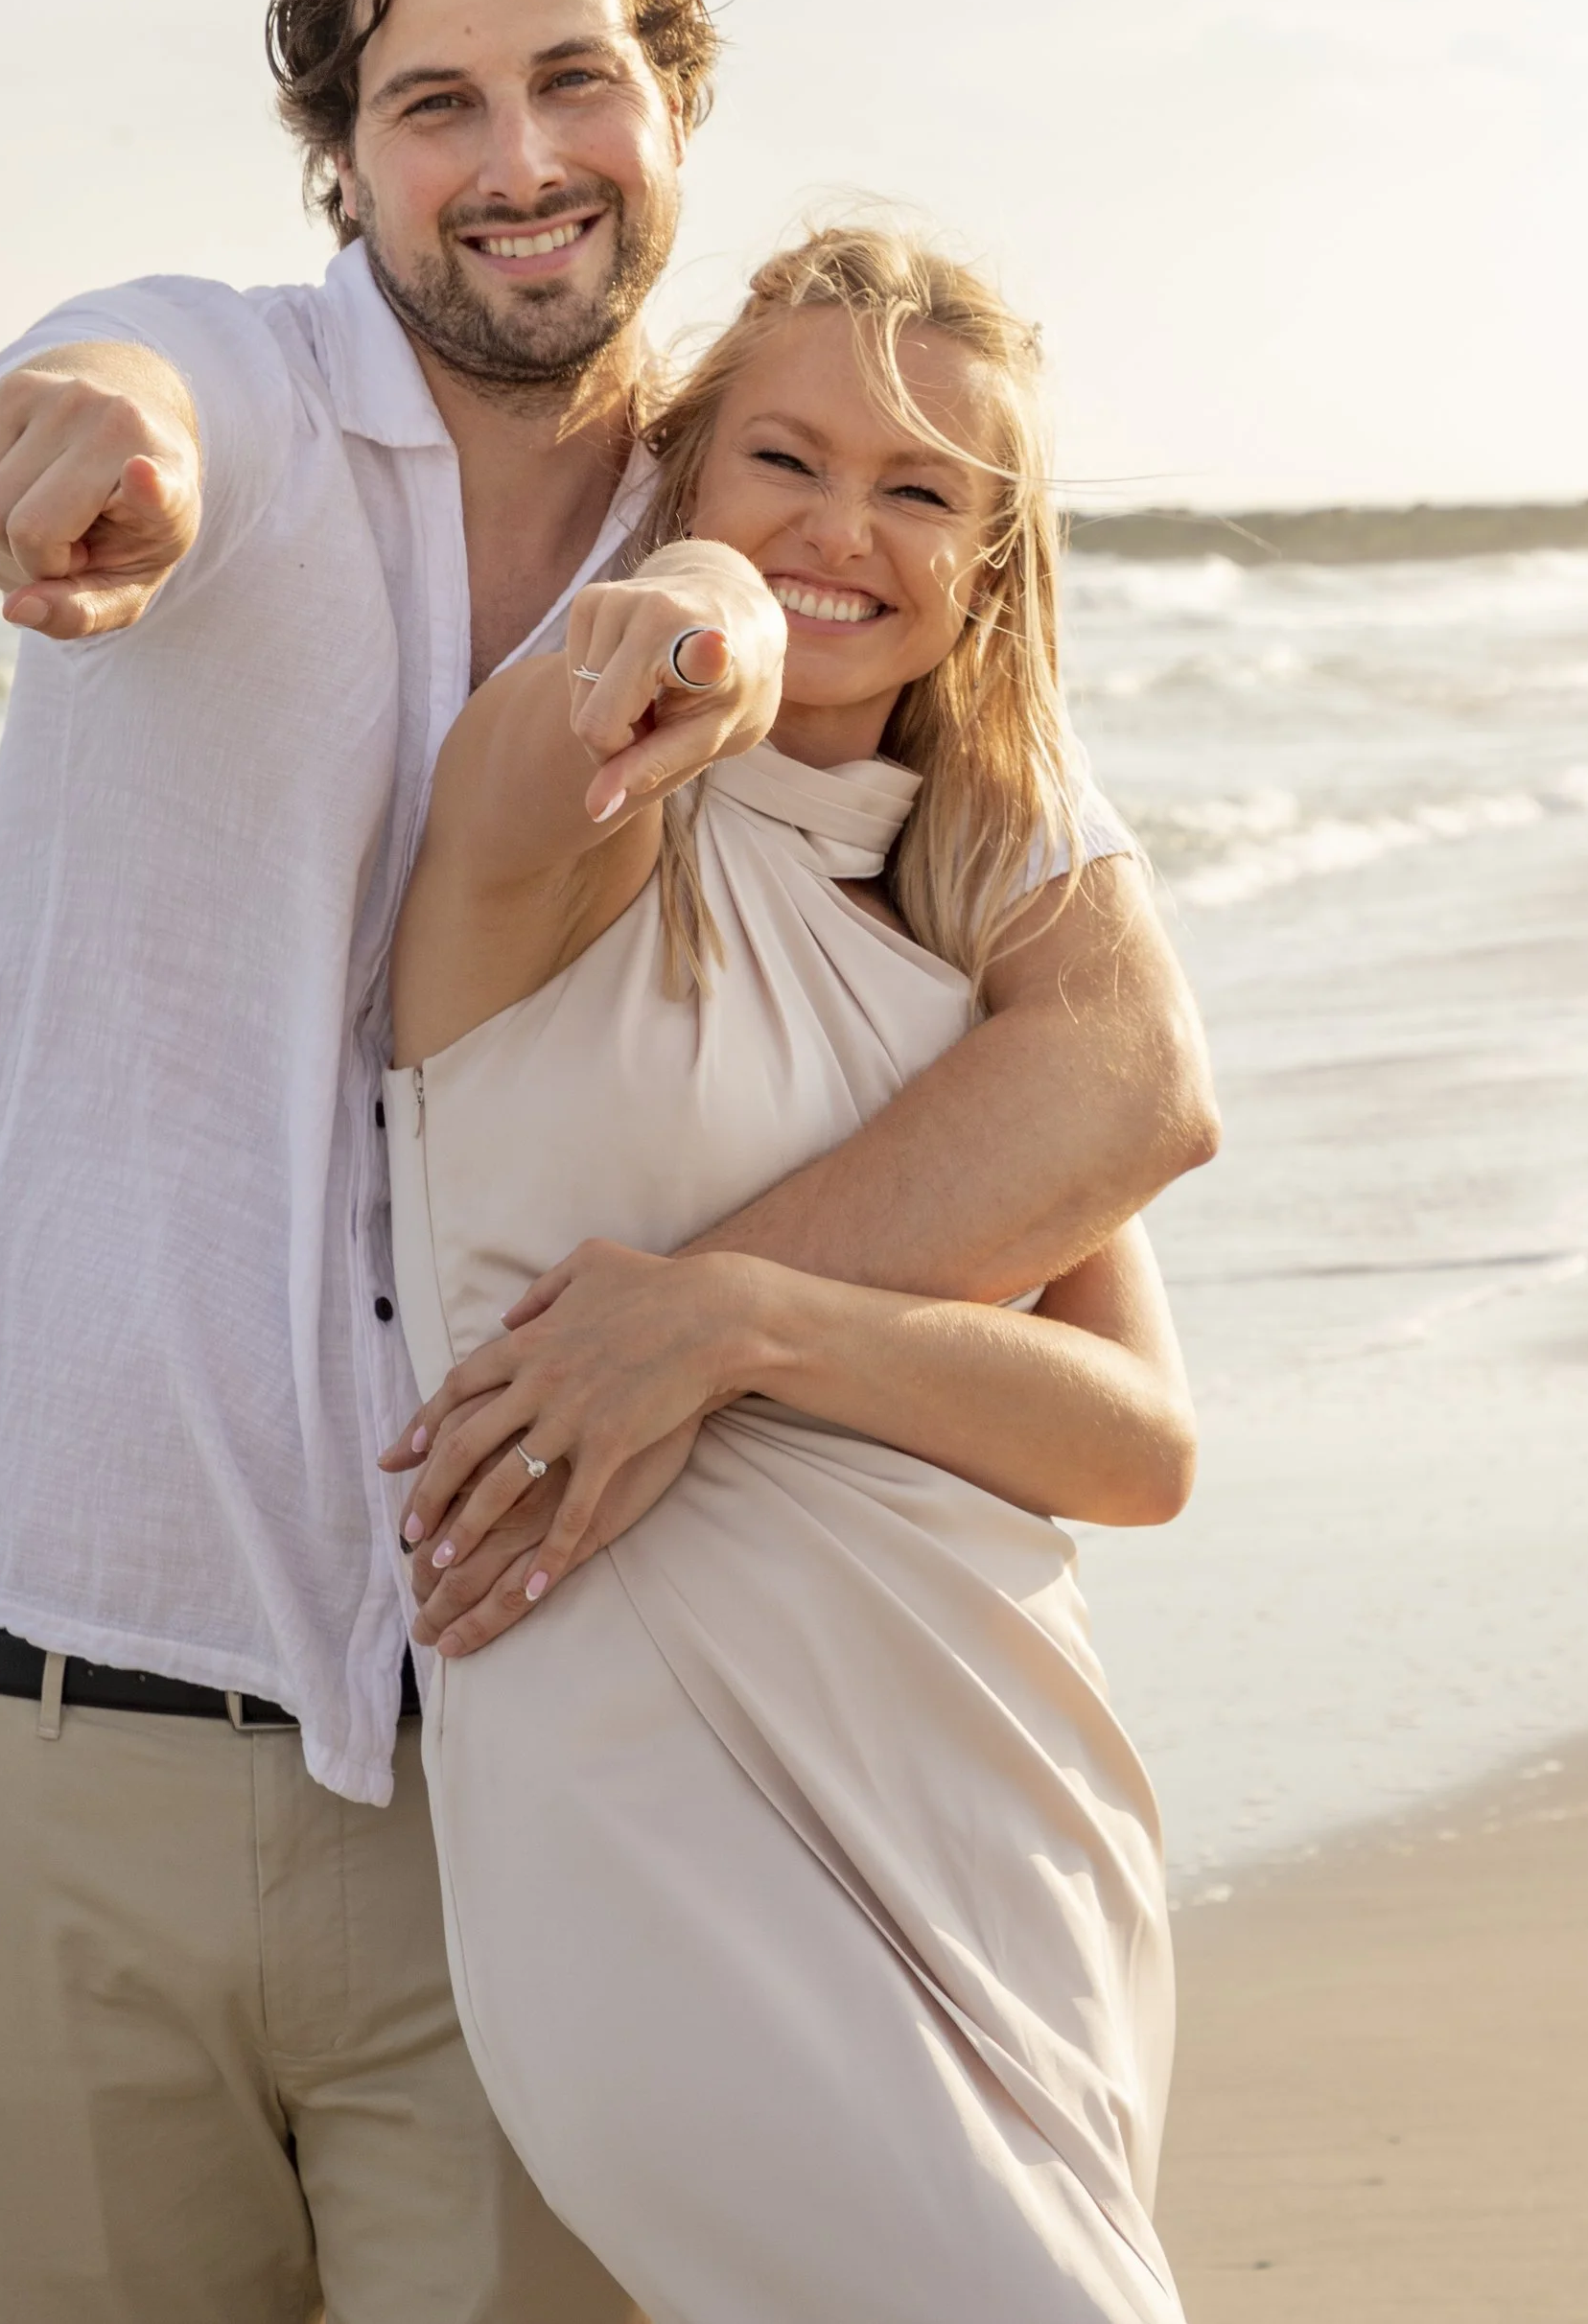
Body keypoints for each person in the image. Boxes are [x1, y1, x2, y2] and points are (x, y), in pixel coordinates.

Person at [0, 0, 1220, 2324]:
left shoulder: (767, 520)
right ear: (341, 158)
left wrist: (688, 1320)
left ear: (674, 109)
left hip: (512, 1786)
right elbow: (103, 383)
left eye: (573, 80)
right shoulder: (237, 389)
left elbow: (1124, 1053)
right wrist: (63, 441)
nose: (514, 161)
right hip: (60, 1735)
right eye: (431, 103)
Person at [380, 223, 1192, 2322]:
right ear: (677, 482)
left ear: (988, 569)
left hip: (995, 1794)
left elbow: (1134, 1448)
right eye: (780, 462)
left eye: (921, 490)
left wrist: (739, 1323)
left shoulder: (969, 950)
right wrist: (698, 599)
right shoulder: (555, 828)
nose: (845, 526)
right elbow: (604, 677)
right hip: (648, 1822)